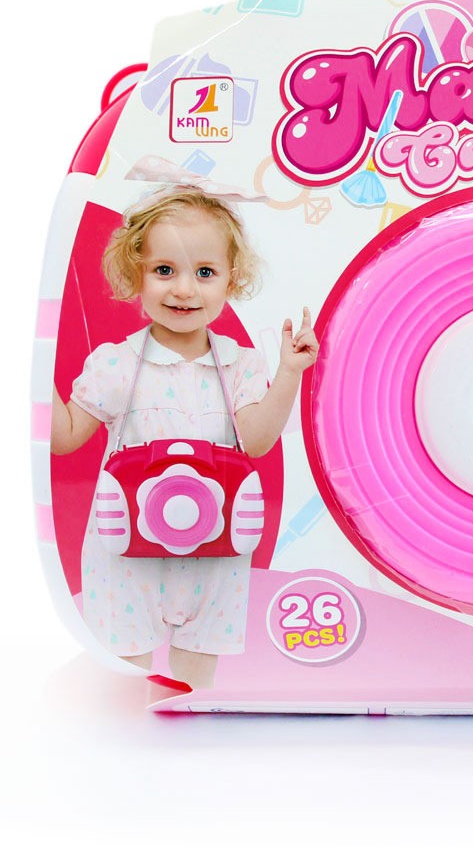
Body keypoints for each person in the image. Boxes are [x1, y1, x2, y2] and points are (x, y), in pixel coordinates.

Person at [50, 164, 317, 689]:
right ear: (136, 274)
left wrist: (289, 373)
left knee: (197, 679)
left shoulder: (240, 365)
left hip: (213, 559)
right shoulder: (116, 363)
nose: (184, 290)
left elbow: (256, 441)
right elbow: (64, 438)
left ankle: (189, 731)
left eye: (205, 272)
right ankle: (126, 733)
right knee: (124, 682)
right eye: (164, 270)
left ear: (232, 279)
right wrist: (34, 380)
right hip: (125, 557)